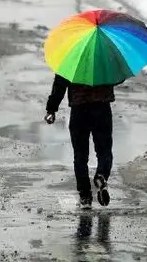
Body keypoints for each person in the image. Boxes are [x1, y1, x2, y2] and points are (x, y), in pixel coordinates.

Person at [45, 74, 115, 209]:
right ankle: (101, 175)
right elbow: (117, 77)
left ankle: (85, 196)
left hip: (79, 109)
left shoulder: (72, 58)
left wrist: (51, 109)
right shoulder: (106, 57)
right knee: (104, 150)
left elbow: (60, 83)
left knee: (80, 155)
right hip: (102, 108)